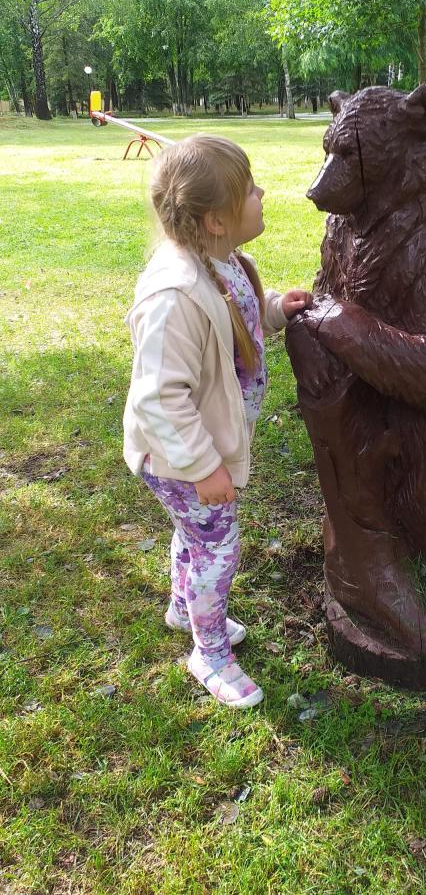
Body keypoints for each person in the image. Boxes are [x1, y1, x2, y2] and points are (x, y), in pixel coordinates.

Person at [123, 135, 313, 708]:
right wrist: (204, 466)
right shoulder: (174, 295)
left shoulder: (226, 262)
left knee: (195, 534)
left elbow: (236, 328)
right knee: (217, 548)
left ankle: (184, 610)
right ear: (214, 220)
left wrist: (276, 310)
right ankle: (209, 651)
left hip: (198, 448)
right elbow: (158, 396)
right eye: (249, 188)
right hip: (181, 456)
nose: (261, 193)